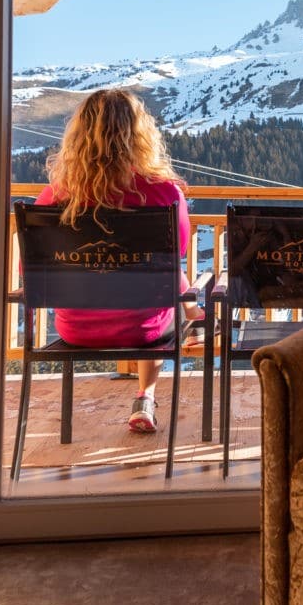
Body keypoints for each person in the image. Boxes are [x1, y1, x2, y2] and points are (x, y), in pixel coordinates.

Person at [35, 88, 203, 434]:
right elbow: (175, 259)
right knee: (162, 299)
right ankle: (145, 395)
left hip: (76, 328)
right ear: (139, 134)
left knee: (157, 292)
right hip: (143, 330)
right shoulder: (164, 193)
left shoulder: (55, 196)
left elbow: (34, 269)